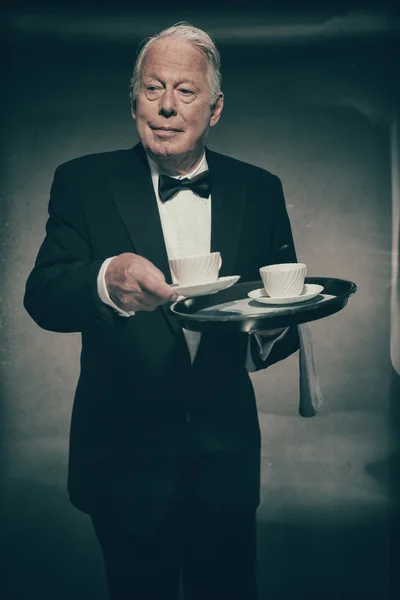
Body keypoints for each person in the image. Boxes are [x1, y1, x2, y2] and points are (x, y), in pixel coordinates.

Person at [24, 22, 300, 600]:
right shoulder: (81, 181)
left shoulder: (261, 189)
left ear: (215, 108)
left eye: (185, 91)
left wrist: (269, 330)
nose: (167, 106)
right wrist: (105, 280)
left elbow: (285, 312)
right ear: (133, 102)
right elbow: (44, 294)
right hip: (122, 463)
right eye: (153, 89)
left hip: (224, 462)